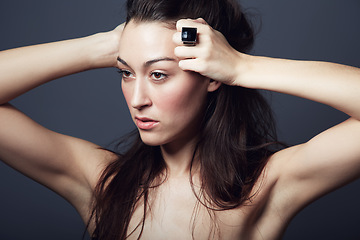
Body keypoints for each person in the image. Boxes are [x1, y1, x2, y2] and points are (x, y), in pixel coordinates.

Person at [1, 0, 360, 239]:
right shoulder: (102, 183)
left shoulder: (264, 187)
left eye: (158, 74)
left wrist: (242, 65)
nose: (137, 99)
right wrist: (102, 47)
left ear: (211, 75)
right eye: (126, 73)